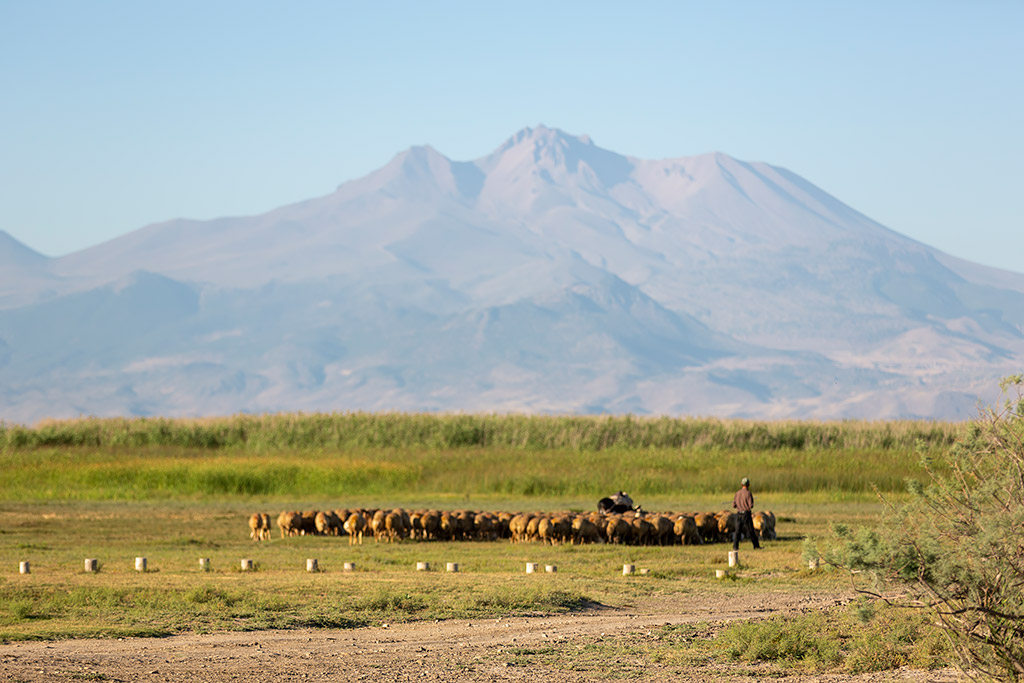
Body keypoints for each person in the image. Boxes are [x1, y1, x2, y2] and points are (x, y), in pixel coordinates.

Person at [732, 477, 761, 550]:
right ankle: (756, 546)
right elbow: (751, 505)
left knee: (737, 531)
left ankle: (735, 547)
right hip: (746, 515)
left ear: (741, 484)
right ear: (748, 485)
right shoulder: (748, 493)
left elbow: (733, 505)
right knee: (751, 531)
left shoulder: (737, 493)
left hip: (738, 514)